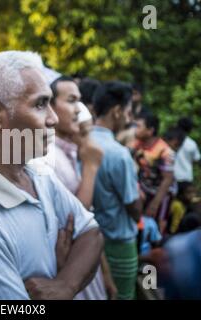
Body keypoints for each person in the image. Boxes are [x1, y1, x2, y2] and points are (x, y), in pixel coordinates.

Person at [0, 51, 104, 300]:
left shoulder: (37, 172)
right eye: (40, 104)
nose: (53, 118)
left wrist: (64, 284)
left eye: (50, 102)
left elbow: (91, 233)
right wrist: (64, 272)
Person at [49, 75, 117, 300]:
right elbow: (76, 219)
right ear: (49, 106)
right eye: (70, 100)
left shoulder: (69, 152)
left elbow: (90, 223)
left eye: (79, 101)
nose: (78, 109)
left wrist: (105, 273)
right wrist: (90, 168)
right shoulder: (50, 157)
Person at [90, 81, 142, 300]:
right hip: (118, 243)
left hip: (89, 244)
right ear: (117, 111)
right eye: (128, 112)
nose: (129, 119)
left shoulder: (81, 143)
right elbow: (134, 207)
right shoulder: (119, 154)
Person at [133, 111, 175, 234]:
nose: (135, 129)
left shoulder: (165, 152)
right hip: (144, 190)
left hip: (161, 195)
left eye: (138, 126)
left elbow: (167, 180)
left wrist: (155, 204)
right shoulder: (138, 145)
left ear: (150, 130)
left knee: (156, 226)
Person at [174, 117, 201, 183]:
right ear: (190, 129)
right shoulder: (191, 143)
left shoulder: (170, 140)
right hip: (186, 177)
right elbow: (198, 160)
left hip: (173, 177)